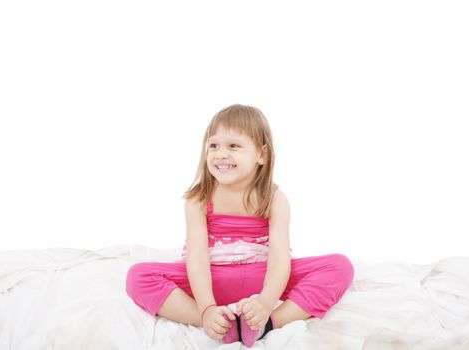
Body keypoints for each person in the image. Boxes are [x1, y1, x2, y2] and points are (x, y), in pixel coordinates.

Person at [125, 104, 354, 347]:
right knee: (137, 277)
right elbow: (197, 260)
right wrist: (207, 309)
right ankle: (218, 323)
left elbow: (279, 261)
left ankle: (269, 323)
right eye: (214, 145)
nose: (221, 154)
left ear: (262, 155)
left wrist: (265, 304)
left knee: (340, 266)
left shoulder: (275, 199)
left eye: (233, 146)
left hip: (263, 275)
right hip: (212, 278)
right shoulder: (198, 200)